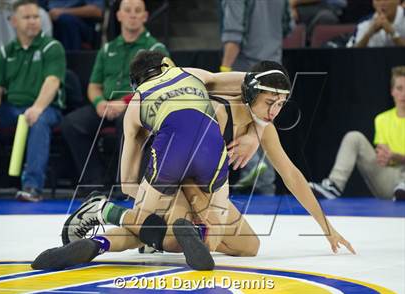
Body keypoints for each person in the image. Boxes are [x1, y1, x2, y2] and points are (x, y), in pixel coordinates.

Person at [32, 54, 355, 271]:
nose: (274, 112)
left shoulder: (262, 124)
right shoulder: (212, 105)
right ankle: (116, 227)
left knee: (248, 246)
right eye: (270, 102)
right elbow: (179, 160)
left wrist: (326, 226)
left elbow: (291, 174)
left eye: (281, 104)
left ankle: (114, 238)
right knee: (186, 237)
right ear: (251, 93)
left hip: (196, 179)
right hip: (171, 174)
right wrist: (200, 204)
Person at [60, 0, 168, 194]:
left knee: (126, 121)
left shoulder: (155, 47)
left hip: (139, 106)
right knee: (72, 123)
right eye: (128, 10)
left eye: (137, 11)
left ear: (145, 16)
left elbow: (160, 83)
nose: (132, 15)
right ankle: (95, 182)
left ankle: (124, 184)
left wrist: (125, 102)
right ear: (119, 16)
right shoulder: (108, 48)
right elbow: (94, 85)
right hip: (107, 105)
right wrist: (99, 102)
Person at [0, 0, 65, 202]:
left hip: (47, 108)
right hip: (12, 108)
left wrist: (37, 108)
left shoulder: (52, 47)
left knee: (38, 122)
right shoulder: (6, 51)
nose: (32, 21)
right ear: (13, 21)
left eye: (36, 17)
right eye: (27, 17)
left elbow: (52, 81)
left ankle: (32, 187)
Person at [220, 0, 293, 195]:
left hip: (247, 66)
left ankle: (253, 167)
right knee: (266, 118)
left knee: (240, 117)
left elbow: (234, 35)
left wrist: (224, 69)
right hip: (273, 65)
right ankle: (265, 181)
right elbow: (288, 25)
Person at [310, 66, 405, 201]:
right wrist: (391, 157)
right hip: (389, 179)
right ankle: (334, 185)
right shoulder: (382, 119)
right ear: (392, 91)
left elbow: (392, 156)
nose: (403, 94)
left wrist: (395, 156)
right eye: (400, 88)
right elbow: (384, 158)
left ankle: (403, 188)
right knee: (354, 137)